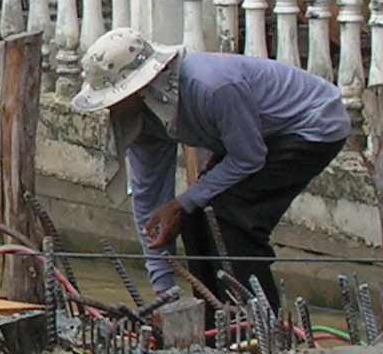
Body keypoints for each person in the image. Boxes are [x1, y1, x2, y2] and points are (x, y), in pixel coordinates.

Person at [73, 26, 348, 316]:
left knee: (232, 216)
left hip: (310, 125)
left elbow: (249, 158)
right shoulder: (141, 119)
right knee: (194, 217)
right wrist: (163, 294)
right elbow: (149, 199)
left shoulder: (212, 86)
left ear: (140, 88)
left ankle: (259, 321)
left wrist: (181, 203)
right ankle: (214, 319)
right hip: (256, 138)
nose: (111, 108)